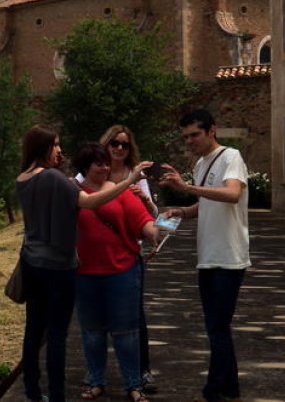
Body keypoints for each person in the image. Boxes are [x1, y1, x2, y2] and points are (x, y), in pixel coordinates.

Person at [16, 125, 142, 402]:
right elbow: (90, 201)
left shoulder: (22, 178)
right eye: (56, 145)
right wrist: (128, 181)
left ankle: (33, 392)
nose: (60, 151)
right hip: (57, 266)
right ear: (43, 148)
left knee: (33, 329)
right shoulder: (54, 178)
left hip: (31, 261)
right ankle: (58, 395)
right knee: (57, 334)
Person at [161, 109, 251, 402]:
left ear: (212, 130)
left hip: (228, 256)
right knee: (218, 327)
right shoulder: (201, 163)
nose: (189, 141)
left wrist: (186, 187)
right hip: (208, 256)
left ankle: (212, 391)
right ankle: (231, 389)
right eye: (185, 136)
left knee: (217, 327)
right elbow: (207, 203)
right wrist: (183, 211)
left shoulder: (230, 157)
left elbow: (232, 193)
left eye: (194, 135)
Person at [72, 142, 158, 402]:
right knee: (92, 332)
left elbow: (144, 222)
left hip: (122, 270)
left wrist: (158, 232)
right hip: (85, 273)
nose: (106, 167)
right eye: (99, 163)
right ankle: (96, 380)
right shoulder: (73, 192)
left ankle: (133, 384)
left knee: (126, 332)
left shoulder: (121, 192)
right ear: (86, 166)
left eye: (107, 163)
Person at [99, 125, 158, 393]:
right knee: (97, 317)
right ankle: (96, 374)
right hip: (99, 253)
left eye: (124, 144)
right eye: (114, 143)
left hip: (130, 251)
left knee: (135, 315)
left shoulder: (138, 175)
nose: (119, 148)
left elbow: (153, 214)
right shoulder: (96, 170)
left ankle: (142, 371)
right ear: (107, 144)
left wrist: (145, 199)